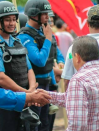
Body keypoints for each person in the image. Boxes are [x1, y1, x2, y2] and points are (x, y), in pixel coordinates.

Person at [38, 36, 99, 130]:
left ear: (77, 57)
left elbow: (77, 125)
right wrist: (47, 95)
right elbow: (76, 99)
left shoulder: (79, 80)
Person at [0, 1, 39, 131]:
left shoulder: (16, 41)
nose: (12, 23)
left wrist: (31, 90)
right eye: (7, 20)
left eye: (14, 19)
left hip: (23, 102)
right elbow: (0, 78)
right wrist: (27, 94)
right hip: (4, 105)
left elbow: (29, 69)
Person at [17, 0, 60, 130]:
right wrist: (47, 38)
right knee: (36, 124)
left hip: (48, 84)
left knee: (46, 123)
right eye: (44, 14)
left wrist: (53, 84)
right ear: (34, 15)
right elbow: (39, 60)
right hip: (35, 86)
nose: (48, 17)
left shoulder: (44, 32)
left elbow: (51, 57)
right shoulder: (25, 36)